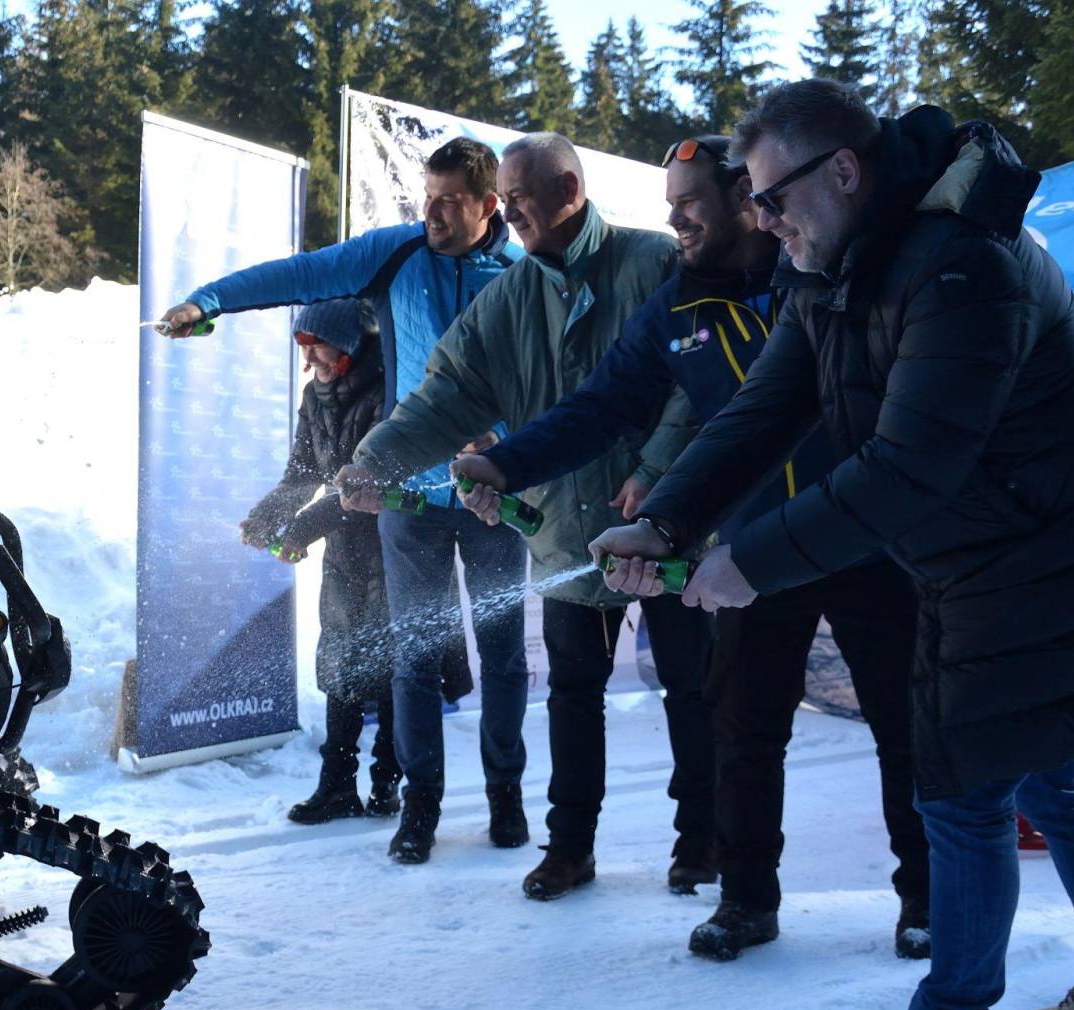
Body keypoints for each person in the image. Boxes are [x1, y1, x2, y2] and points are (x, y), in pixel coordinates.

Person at [591, 80, 1074, 1010]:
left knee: (958, 791)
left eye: (773, 197)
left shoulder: (965, 267)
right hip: (1005, 560)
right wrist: (669, 521)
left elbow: (908, 469)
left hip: (1057, 564)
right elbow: (763, 406)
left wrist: (751, 560)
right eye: (751, 201)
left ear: (842, 170)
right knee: (1052, 774)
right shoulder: (836, 264)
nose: (760, 219)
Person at [453, 134, 931, 955]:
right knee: (743, 728)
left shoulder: (816, 282)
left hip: (861, 540)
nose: (673, 219)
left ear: (748, 198)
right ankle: (746, 900)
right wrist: (503, 460)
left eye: (689, 204)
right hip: (752, 552)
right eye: (669, 205)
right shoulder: (678, 305)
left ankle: (925, 898)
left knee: (902, 724)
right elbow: (599, 405)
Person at [338, 133, 709, 888]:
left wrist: (655, 473)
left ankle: (700, 841)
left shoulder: (653, 265)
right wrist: (376, 458)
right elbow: (447, 393)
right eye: (501, 200)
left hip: (669, 528)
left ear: (568, 190)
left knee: (692, 690)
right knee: (573, 700)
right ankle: (569, 847)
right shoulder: (509, 296)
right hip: (568, 533)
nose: (506, 213)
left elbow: (698, 380)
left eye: (517, 197)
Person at [158, 138, 533, 858]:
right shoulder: (396, 255)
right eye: (427, 197)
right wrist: (206, 300)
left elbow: (560, 380)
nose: (433, 213)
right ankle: (418, 808)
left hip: (494, 498)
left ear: (489, 205)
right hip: (409, 501)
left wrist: (509, 445)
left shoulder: (522, 274)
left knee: (503, 653)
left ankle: (505, 797)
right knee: (414, 658)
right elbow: (300, 273)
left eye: (450, 200)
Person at [239, 301, 402, 822]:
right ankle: (336, 787)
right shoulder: (315, 396)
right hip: (347, 552)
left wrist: (305, 528)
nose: (309, 361)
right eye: (302, 349)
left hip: (398, 546)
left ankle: (388, 785)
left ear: (351, 344)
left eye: (318, 347)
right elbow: (302, 475)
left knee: (395, 670)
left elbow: (370, 486)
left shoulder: (390, 390)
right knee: (342, 670)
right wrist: (268, 518)